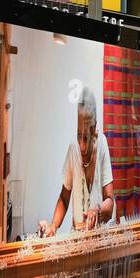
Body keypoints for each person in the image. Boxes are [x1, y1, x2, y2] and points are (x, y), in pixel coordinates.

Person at [38, 87, 115, 236]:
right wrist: (53, 226)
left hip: (100, 238)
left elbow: (110, 203)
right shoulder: (73, 148)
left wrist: (97, 209)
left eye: (86, 137)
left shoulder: (102, 144)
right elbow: (64, 198)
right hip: (77, 236)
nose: (82, 145)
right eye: (79, 134)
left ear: (94, 129)